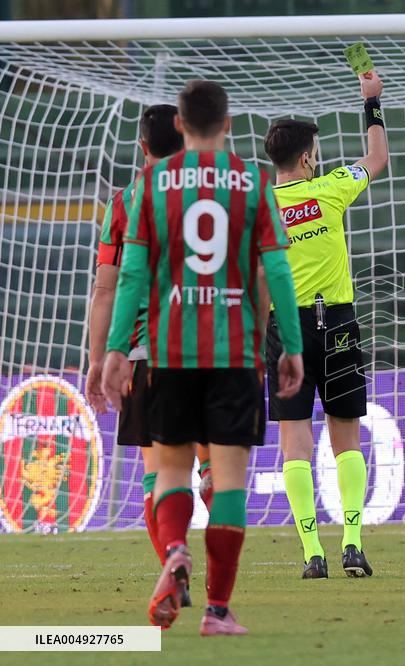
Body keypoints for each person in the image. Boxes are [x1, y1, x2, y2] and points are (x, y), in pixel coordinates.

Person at [102, 80, 304, 635]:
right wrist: (290, 345)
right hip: (234, 352)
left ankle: (174, 549)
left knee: (169, 470)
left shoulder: (149, 186)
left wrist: (116, 350)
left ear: (180, 125)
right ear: (229, 123)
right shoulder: (256, 182)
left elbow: (131, 276)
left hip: (168, 352)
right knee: (229, 482)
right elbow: (277, 270)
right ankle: (217, 610)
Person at [262, 70, 388, 579]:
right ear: (307, 158)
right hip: (336, 322)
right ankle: (352, 544)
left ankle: (312, 553)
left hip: (284, 329)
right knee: (346, 440)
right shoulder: (331, 189)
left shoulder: (260, 208)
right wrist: (371, 102)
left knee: (294, 443)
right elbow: (376, 158)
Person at [85, 106, 214, 597]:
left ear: (142, 147)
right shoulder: (218, 192)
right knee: (212, 462)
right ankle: (219, 582)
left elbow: (105, 288)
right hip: (212, 345)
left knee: (157, 472)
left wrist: (98, 360)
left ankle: (174, 563)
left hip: (147, 351)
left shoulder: (124, 202)